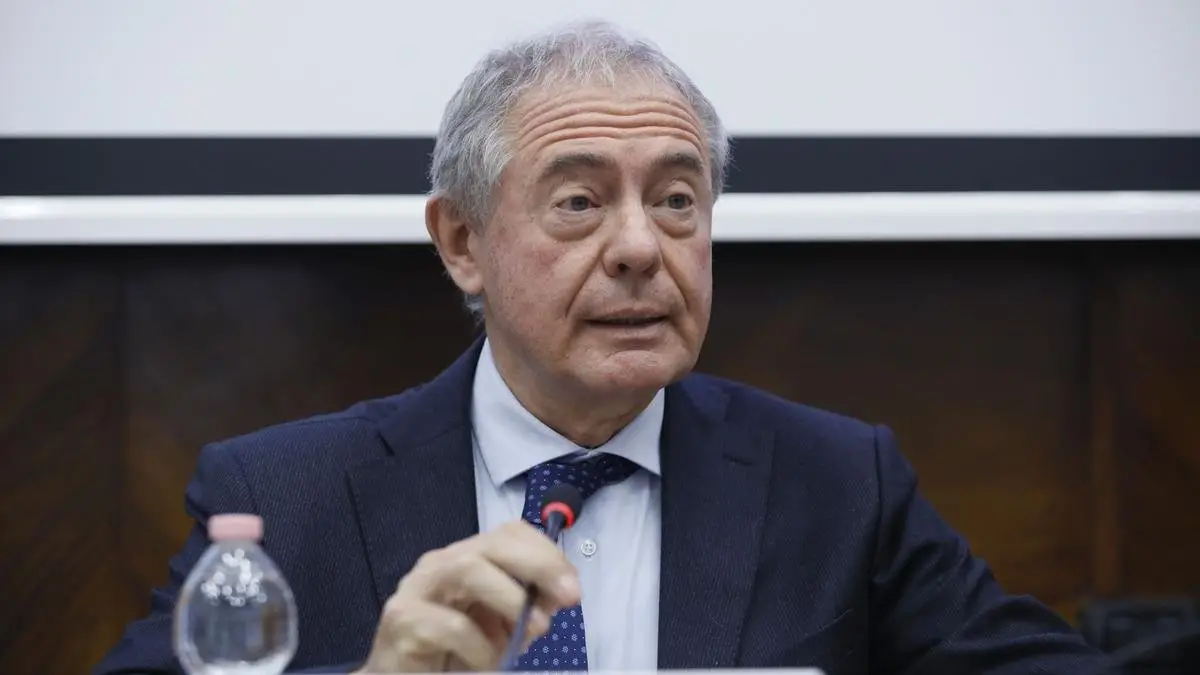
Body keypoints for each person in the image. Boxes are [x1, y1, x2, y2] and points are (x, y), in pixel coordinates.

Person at [94, 19, 1113, 675]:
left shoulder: (840, 483)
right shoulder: (282, 500)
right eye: (579, 202)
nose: (639, 247)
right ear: (462, 243)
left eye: (677, 200)